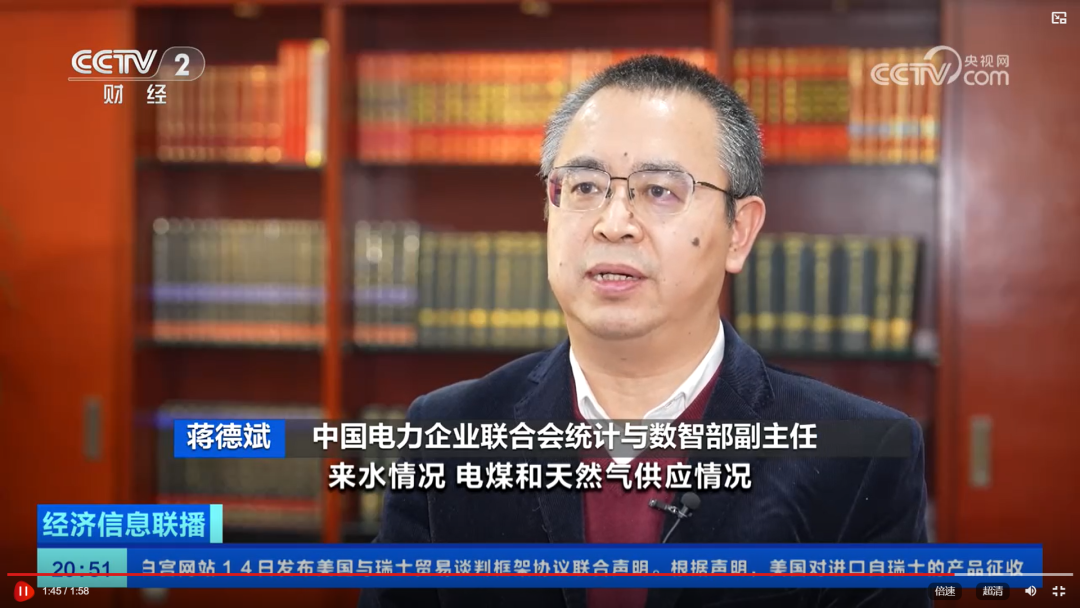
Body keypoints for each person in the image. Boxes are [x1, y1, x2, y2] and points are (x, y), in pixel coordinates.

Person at [359, 55, 929, 608]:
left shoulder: (860, 456)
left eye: (660, 191)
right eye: (584, 187)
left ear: (739, 232)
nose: (614, 225)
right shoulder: (446, 433)